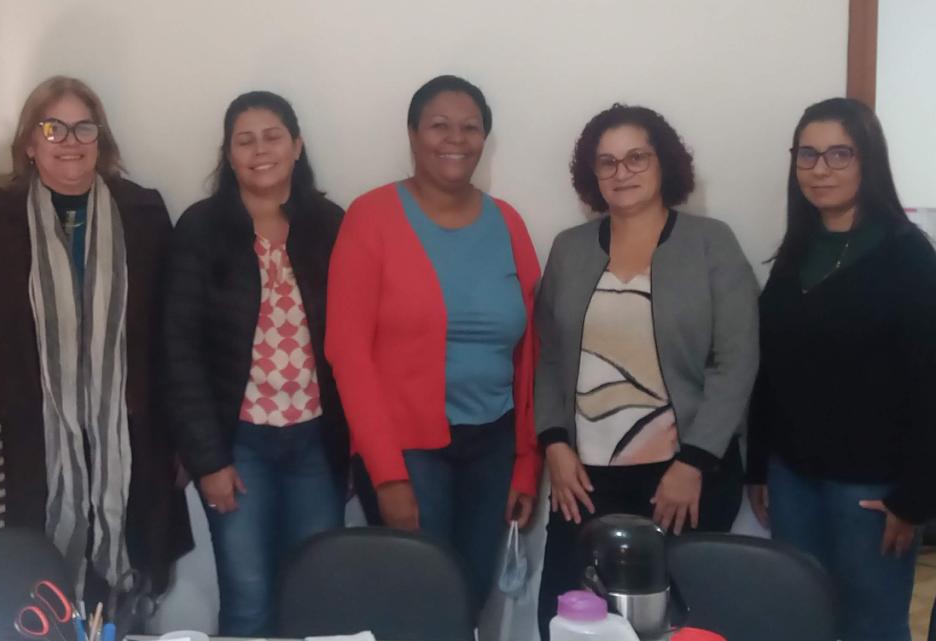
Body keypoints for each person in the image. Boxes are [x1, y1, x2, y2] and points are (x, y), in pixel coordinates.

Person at [533, 104, 758, 638]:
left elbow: (736, 360)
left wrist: (694, 463)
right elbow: (550, 356)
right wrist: (555, 445)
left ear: (664, 163)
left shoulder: (711, 243)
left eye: (637, 157)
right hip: (585, 480)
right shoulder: (568, 249)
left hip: (684, 478)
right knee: (569, 621)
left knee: (677, 624)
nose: (622, 172)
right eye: (607, 162)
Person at [326, 75, 541, 608]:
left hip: (492, 444)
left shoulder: (508, 222)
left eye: (471, 127)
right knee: (421, 596)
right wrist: (388, 476)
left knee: (470, 595)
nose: (456, 139)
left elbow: (532, 353)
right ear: (412, 134)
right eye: (439, 125)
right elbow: (347, 353)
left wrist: (526, 461)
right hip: (407, 449)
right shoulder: (371, 216)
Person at [0, 75, 192, 599]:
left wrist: (183, 439)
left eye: (84, 128)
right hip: (33, 439)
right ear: (30, 143)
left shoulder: (143, 214)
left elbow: (173, 334)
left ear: (101, 140)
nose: (70, 141)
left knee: (127, 592)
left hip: (133, 435)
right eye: (53, 128)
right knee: (37, 591)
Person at [747, 97, 936, 641]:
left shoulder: (908, 256)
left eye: (839, 154)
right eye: (807, 154)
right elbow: (772, 367)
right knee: (801, 620)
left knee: (870, 626)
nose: (820, 169)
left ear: (867, 160)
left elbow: (930, 385)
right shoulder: (796, 252)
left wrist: (915, 498)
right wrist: (758, 465)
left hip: (871, 487)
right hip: (793, 478)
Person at [163, 91, 347, 636]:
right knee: (249, 600)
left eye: (272, 137)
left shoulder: (330, 224)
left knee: (314, 596)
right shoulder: (201, 228)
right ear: (229, 153)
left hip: (317, 443)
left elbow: (355, 342)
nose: (260, 150)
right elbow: (179, 350)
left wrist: (353, 450)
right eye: (245, 140)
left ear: (297, 145)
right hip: (239, 446)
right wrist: (207, 460)